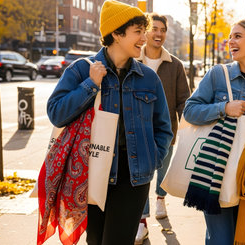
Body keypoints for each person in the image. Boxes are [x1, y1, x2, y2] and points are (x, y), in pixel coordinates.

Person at [46, 1, 173, 244]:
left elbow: (163, 128)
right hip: (91, 171)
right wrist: (90, 85)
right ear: (116, 33)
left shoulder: (148, 78)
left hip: (134, 176)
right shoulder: (81, 70)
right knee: (95, 240)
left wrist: (152, 159)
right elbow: (56, 113)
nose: (144, 38)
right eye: (138, 31)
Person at [183, 18, 245, 245]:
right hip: (216, 171)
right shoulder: (218, 75)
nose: (230, 41)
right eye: (230, 36)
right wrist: (223, 108)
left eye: (237, 36)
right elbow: (190, 111)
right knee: (221, 240)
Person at [134, 13, 190, 243]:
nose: (159, 34)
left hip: (166, 132)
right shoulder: (134, 60)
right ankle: (142, 221)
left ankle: (160, 199)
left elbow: (183, 100)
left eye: (162, 30)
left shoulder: (174, 65)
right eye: (154, 29)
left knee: (162, 173)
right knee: (141, 177)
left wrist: (186, 132)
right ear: (146, 31)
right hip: (137, 131)